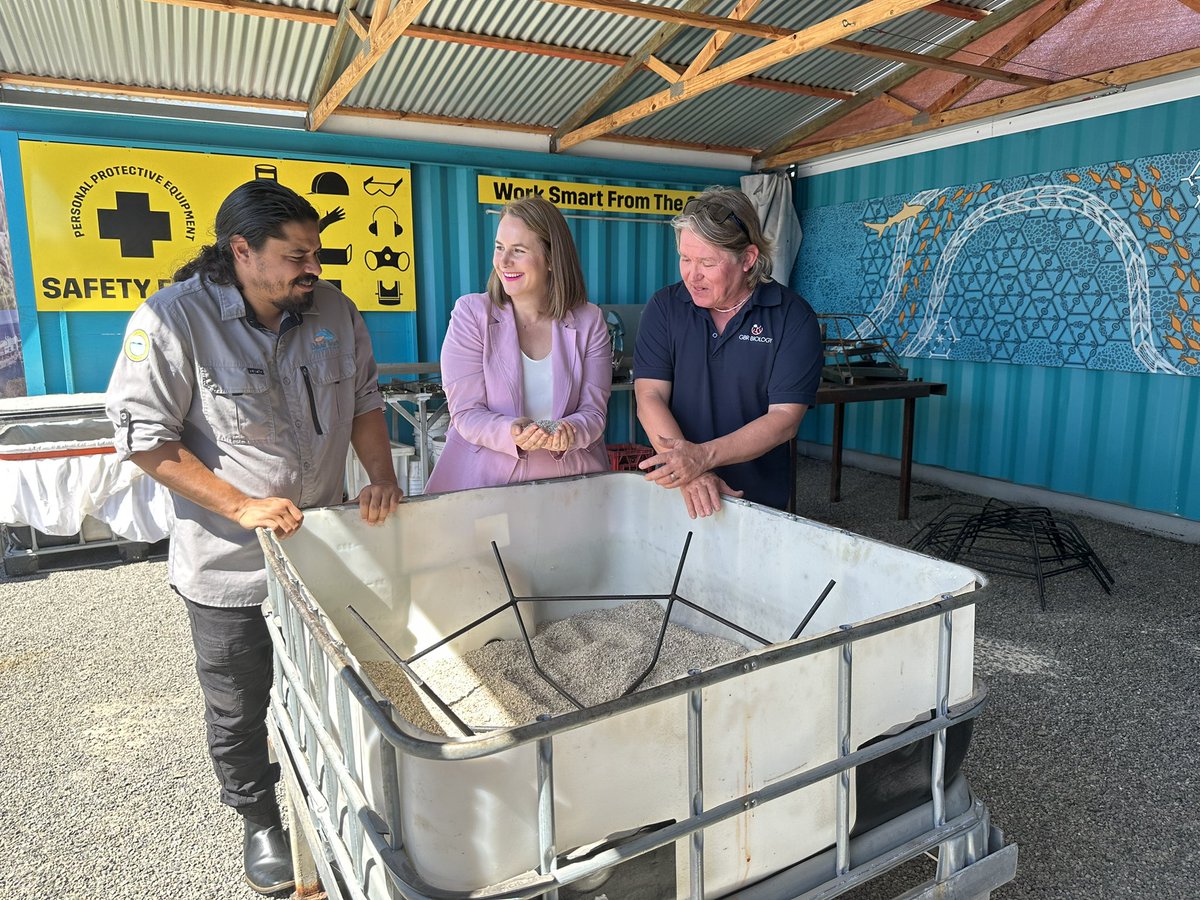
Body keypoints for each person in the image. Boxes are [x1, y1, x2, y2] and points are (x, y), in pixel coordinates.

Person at [105, 180, 403, 895]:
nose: (314, 268)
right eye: (296, 255)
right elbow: (144, 439)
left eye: (317, 253)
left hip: (322, 549)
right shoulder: (173, 320)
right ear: (241, 251)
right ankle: (261, 818)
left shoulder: (334, 310)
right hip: (229, 563)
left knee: (335, 685)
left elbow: (363, 401)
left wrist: (381, 476)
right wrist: (240, 505)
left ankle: (336, 796)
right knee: (239, 703)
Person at [633, 186, 822, 518]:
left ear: (748, 259)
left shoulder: (792, 316)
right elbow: (649, 396)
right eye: (685, 258)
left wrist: (701, 457)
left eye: (707, 262)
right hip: (680, 491)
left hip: (757, 497)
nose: (693, 275)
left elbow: (784, 419)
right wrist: (689, 471)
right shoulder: (665, 308)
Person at [424, 196, 611, 493]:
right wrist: (510, 431)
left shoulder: (590, 320)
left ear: (551, 259)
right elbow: (466, 413)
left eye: (518, 251)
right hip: (484, 484)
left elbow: (594, 413)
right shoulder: (471, 314)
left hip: (571, 486)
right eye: (499, 248)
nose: (503, 262)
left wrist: (571, 431)